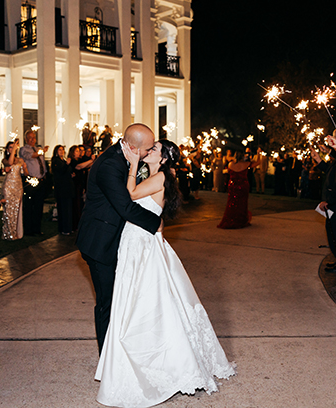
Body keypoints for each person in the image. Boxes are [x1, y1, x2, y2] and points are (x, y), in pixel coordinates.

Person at [95, 139, 236, 407]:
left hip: (142, 242)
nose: (148, 151)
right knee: (143, 296)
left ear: (163, 158)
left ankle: (162, 359)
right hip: (138, 238)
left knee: (147, 299)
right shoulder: (159, 175)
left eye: (154, 149)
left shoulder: (160, 175)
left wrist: (133, 164)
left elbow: (129, 195)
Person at [76, 123, 162, 354]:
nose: (148, 153)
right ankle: (107, 357)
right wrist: (157, 223)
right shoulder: (110, 165)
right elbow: (125, 207)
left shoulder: (125, 158)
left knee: (120, 298)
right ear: (133, 148)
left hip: (115, 238)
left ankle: (119, 349)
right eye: (147, 149)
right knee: (108, 302)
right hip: (99, 242)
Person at [311, 129, 336, 272]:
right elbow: (330, 171)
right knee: (333, 233)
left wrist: (329, 201)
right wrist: (318, 160)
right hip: (335, 203)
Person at [19, 130, 49, 236]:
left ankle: (37, 228)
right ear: (26, 139)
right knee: (29, 206)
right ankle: (28, 229)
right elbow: (31, 156)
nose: (32, 140)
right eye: (30, 138)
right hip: (30, 181)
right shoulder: (24, 150)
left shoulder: (38, 149)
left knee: (38, 205)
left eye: (34, 137)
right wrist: (41, 152)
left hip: (40, 180)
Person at [217, 150, 256, 229]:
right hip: (243, 185)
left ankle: (231, 218)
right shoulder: (246, 164)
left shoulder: (230, 164)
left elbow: (228, 172)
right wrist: (257, 155)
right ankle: (241, 220)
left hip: (233, 185)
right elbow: (257, 162)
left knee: (232, 203)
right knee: (242, 203)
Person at [2, 139, 26, 240]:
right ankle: (9, 233)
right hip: (8, 186)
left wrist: (25, 168)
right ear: (8, 150)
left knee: (17, 208)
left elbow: (25, 173)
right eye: (11, 147)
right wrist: (13, 152)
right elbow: (10, 162)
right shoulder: (5, 160)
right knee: (9, 209)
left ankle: (17, 232)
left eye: (14, 147)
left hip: (18, 185)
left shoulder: (20, 160)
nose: (13, 149)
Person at [50, 145, 74, 235]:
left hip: (67, 187)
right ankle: (64, 228)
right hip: (62, 189)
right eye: (60, 150)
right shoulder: (56, 161)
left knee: (67, 209)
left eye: (63, 150)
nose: (62, 151)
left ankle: (67, 227)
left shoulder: (62, 160)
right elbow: (60, 171)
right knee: (63, 209)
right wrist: (67, 165)